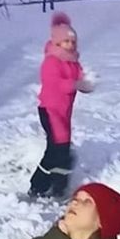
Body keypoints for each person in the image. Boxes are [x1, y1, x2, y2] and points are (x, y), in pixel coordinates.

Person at [29, 12, 93, 199]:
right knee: (58, 149)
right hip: (49, 110)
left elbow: (81, 80)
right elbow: (56, 84)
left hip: (63, 113)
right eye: (66, 41)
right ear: (57, 42)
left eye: (73, 42)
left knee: (61, 149)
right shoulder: (51, 62)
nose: (70, 45)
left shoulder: (73, 63)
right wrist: (76, 84)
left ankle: (58, 187)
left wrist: (89, 83)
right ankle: (39, 186)